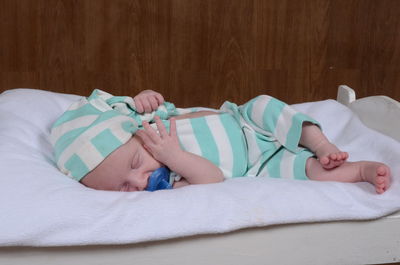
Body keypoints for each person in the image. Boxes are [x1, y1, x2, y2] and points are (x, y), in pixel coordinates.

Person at [50, 89, 391, 194]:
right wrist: (174, 157)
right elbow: (212, 178)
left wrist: (143, 101)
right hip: (258, 166)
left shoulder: (151, 124)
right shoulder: (168, 181)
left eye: (137, 164)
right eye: (125, 188)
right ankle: (359, 170)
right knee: (306, 172)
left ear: (137, 132)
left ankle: (320, 143)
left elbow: (137, 105)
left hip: (243, 123)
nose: (139, 181)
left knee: (265, 106)